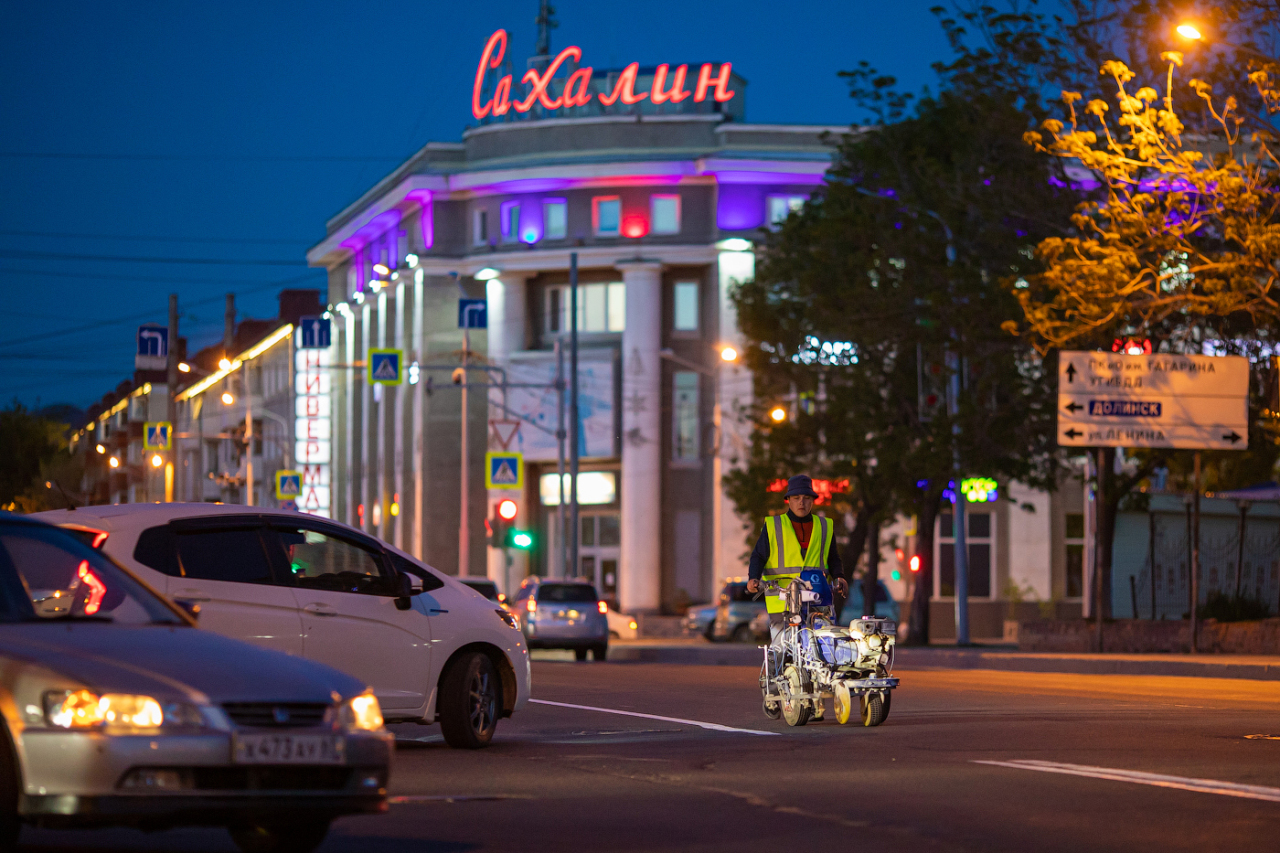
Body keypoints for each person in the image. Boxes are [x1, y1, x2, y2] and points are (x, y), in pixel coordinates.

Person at [746, 474, 849, 628]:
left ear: (813, 500)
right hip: (782, 600)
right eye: (796, 497)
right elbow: (758, 556)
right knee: (783, 648)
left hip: (818, 597)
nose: (802, 502)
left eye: (807, 497)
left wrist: (839, 576)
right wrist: (753, 578)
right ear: (788, 500)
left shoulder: (824, 526)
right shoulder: (774, 526)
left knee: (822, 647)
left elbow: (833, 557)